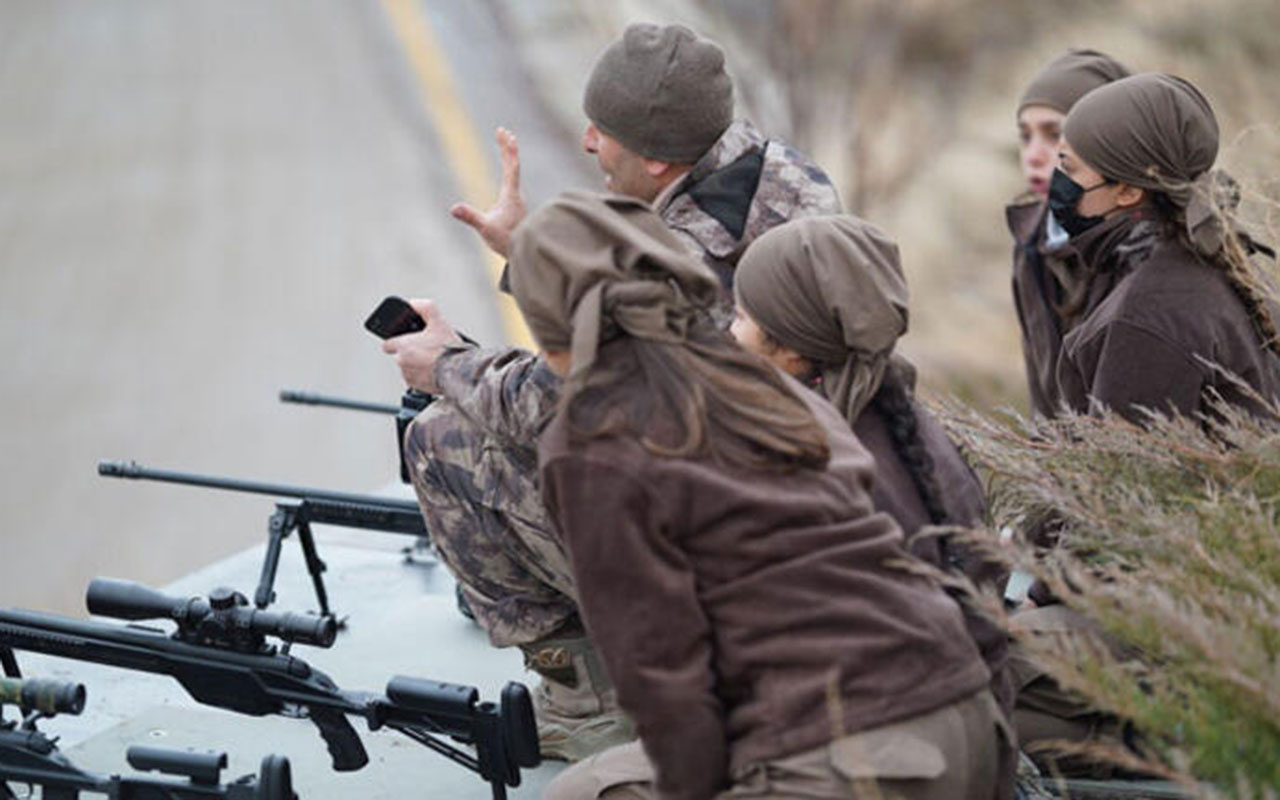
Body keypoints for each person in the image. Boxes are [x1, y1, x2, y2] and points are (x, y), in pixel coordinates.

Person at [383, 22, 841, 762]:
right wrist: (533, 252)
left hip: (733, 554)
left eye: (605, 134)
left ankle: (589, 699)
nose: (590, 144)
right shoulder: (777, 173)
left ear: (658, 160)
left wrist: (444, 364)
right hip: (811, 503)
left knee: (442, 437)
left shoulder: (682, 260)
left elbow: (549, 405)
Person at [517, 190, 1003, 800]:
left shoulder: (594, 437)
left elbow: (659, 669)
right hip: (968, 719)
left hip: (850, 756)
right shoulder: (759, 380)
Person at [1010, 72, 1280, 774]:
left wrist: (1025, 600)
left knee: (976, 676)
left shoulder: (1154, 313)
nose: (1055, 182)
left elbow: (1106, 513)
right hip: (1200, 587)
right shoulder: (1197, 262)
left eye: (1070, 167)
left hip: (1182, 620)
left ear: (1129, 192)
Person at [729, 216, 1015, 797]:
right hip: (981, 740)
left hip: (892, 758)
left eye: (740, 318)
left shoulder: (820, 472)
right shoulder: (909, 426)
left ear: (787, 352)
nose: (728, 334)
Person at [1007, 49, 1130, 418]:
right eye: (1025, 136)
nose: (1033, 154)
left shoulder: (1148, 247)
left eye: (1054, 134)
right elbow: (1043, 397)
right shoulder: (1030, 243)